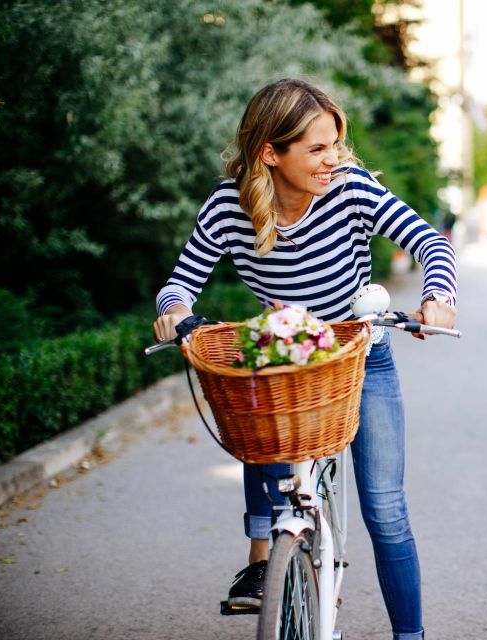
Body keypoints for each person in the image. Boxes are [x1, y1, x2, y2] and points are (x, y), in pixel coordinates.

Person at [153, 78, 457, 640]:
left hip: (362, 358)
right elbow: (180, 283)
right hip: (288, 361)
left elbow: (430, 243)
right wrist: (175, 313)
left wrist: (437, 297)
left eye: (335, 145)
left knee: (386, 511)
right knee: (252, 395)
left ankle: (409, 635)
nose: (333, 160)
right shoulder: (230, 205)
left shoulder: (352, 189)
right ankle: (263, 559)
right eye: (317, 149)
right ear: (271, 153)